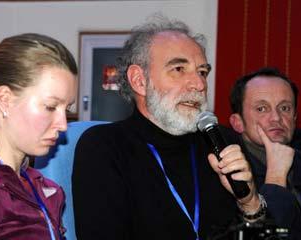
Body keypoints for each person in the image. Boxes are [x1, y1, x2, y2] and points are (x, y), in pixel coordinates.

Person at [72, 16, 264, 240]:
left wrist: (249, 202)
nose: (199, 84)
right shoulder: (104, 146)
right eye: (179, 69)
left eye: (202, 72)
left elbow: (260, 235)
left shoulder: (221, 141)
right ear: (139, 80)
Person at [228, 67, 301, 239]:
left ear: (294, 119)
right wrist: (276, 177)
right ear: (238, 123)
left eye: (285, 108)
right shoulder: (229, 172)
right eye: (262, 109)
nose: (276, 118)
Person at [0, 33, 78, 239]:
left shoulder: (45, 188)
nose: (63, 125)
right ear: (5, 100)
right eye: (50, 107)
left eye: (67, 109)